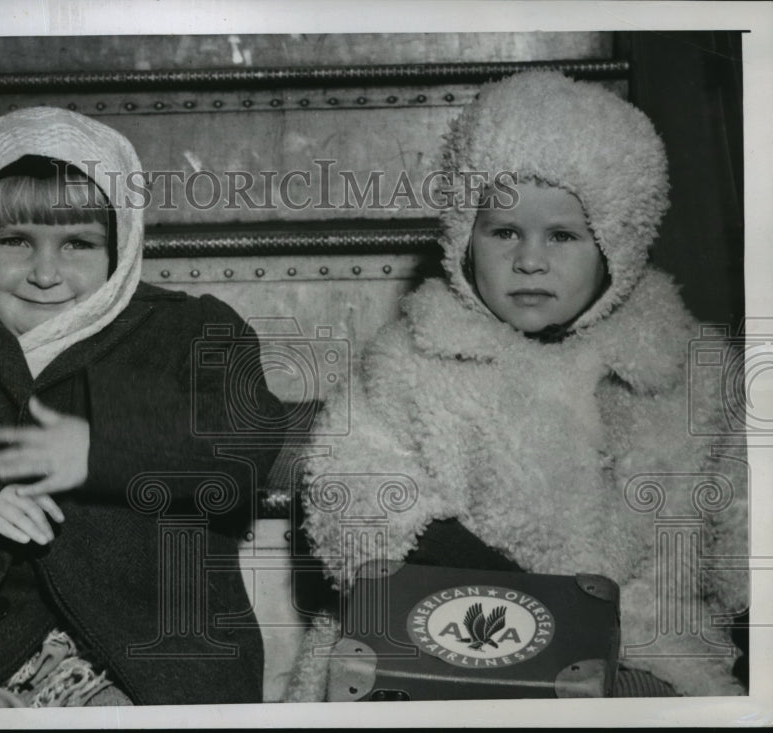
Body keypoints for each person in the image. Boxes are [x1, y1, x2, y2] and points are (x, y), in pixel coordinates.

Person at [288, 71, 748, 699]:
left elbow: (746, 527)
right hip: (434, 634)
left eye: (562, 235)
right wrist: (475, 571)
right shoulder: (412, 359)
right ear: (463, 238)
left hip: (643, 646)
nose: (530, 260)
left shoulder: (694, 375)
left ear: (620, 243)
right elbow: (351, 487)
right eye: (504, 232)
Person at [0, 107, 284, 709]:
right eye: (13, 241)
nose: (44, 273)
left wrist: (102, 448)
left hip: (147, 658)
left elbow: (243, 441)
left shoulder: (185, 332)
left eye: (78, 244)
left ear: (120, 243)